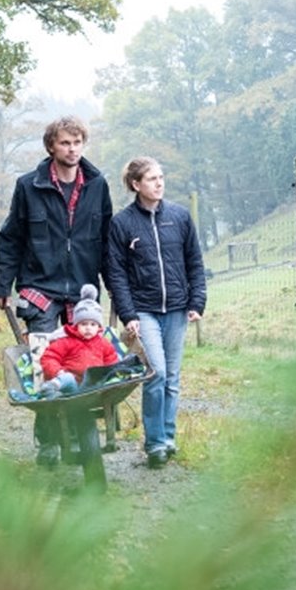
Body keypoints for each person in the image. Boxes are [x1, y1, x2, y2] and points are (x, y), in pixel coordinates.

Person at [0, 116, 113, 466]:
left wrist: (116, 287)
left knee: (83, 359)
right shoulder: (28, 186)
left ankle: (78, 431)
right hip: (39, 287)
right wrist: (3, 285)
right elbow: (12, 238)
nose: (72, 149)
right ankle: (47, 439)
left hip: (82, 290)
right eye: (64, 143)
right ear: (51, 147)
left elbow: (106, 241)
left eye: (77, 143)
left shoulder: (97, 185)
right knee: (46, 364)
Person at [105, 157, 206, 469]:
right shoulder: (121, 224)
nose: (159, 183)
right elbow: (116, 273)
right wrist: (128, 313)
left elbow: (195, 262)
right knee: (156, 373)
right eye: (151, 179)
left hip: (177, 308)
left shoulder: (179, 217)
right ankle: (154, 443)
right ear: (136, 184)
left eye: (161, 177)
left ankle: (168, 438)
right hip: (143, 311)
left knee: (173, 377)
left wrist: (196, 301)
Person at [38, 284, 119, 396]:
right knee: (67, 377)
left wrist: (109, 377)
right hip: (72, 386)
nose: (88, 328)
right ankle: (51, 388)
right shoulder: (66, 341)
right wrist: (58, 372)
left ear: (99, 327)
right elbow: (49, 358)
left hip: (94, 387)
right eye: (83, 324)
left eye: (93, 324)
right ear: (76, 325)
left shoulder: (104, 344)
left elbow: (112, 363)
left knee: (103, 380)